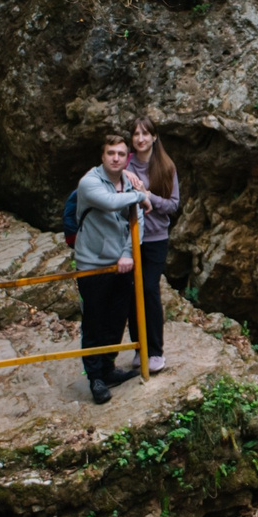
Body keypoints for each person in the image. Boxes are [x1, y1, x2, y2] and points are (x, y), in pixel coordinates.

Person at [73, 135, 153, 405]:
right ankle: (95, 377)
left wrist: (128, 253)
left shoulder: (128, 183)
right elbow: (109, 202)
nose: (116, 158)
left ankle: (108, 367)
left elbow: (138, 220)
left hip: (122, 263)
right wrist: (142, 195)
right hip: (93, 264)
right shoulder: (90, 182)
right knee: (94, 321)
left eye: (120, 153)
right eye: (111, 153)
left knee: (117, 318)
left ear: (127, 157)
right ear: (102, 156)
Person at [127, 114, 179, 374]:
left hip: (156, 238)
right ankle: (139, 348)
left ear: (154, 137)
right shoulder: (125, 164)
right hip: (129, 239)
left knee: (149, 289)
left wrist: (149, 196)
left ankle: (156, 351)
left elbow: (173, 205)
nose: (140, 139)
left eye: (145, 134)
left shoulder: (166, 166)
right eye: (136, 134)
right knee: (132, 291)